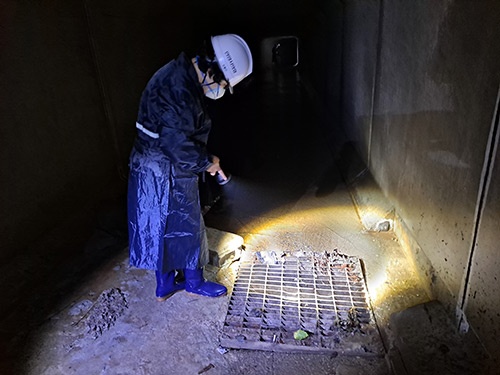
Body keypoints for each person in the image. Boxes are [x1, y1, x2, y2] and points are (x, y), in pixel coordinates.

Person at [127, 34, 253, 302]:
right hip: (166, 168)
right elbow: (177, 145)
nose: (219, 89)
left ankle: (165, 284)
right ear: (211, 69)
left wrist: (205, 156)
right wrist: (207, 162)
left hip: (150, 165)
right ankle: (194, 282)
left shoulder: (178, 74)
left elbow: (176, 134)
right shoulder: (179, 91)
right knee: (187, 223)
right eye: (221, 82)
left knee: (160, 225)